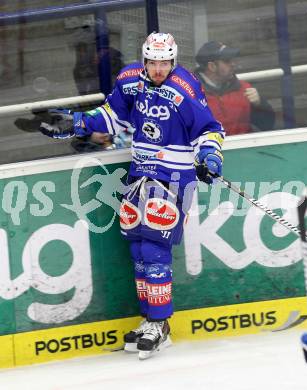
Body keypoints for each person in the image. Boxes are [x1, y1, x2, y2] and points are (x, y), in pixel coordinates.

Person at [38, 32, 225, 360]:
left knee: (154, 247)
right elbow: (111, 117)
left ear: (173, 60)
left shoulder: (185, 87)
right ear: (145, 59)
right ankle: (148, 318)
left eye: (164, 62)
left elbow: (209, 129)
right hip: (140, 174)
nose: (158, 68)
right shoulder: (129, 80)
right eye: (153, 62)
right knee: (138, 246)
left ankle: (160, 322)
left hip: (174, 177)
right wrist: (78, 123)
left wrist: (210, 155)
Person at [194, 41, 275, 135]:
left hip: (243, 148)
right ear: (212, 66)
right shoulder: (189, 95)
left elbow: (267, 125)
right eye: (227, 61)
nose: (233, 64)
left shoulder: (245, 89)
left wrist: (260, 104)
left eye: (233, 60)